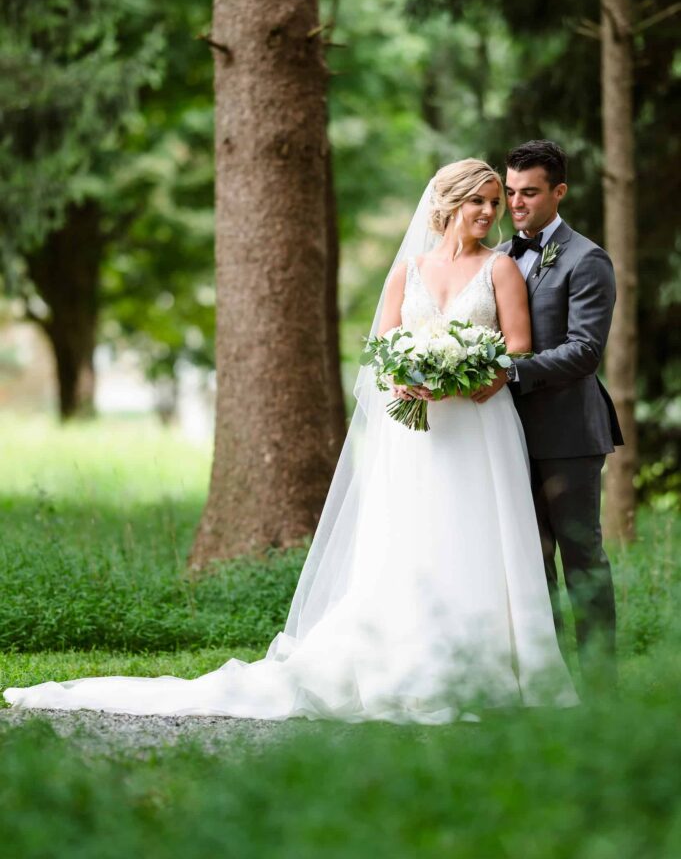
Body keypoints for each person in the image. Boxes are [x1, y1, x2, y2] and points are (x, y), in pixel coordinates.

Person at [4, 159, 577, 722]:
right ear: (448, 203)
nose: (489, 212)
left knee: (476, 532)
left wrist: (462, 377)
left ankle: (487, 667)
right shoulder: (410, 271)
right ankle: (407, 664)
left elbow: (517, 348)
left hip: (478, 425)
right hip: (416, 433)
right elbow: (384, 349)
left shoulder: (500, 269)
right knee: (414, 536)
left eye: (494, 203)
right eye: (478, 201)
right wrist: (405, 377)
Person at [477, 140, 622, 684]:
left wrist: (510, 372)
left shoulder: (587, 259)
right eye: (510, 192)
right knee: (530, 561)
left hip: (569, 434)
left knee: (582, 557)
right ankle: (552, 684)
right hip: (507, 434)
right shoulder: (497, 257)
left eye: (530, 193)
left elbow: (585, 350)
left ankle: (602, 686)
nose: (515, 203)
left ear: (559, 192)